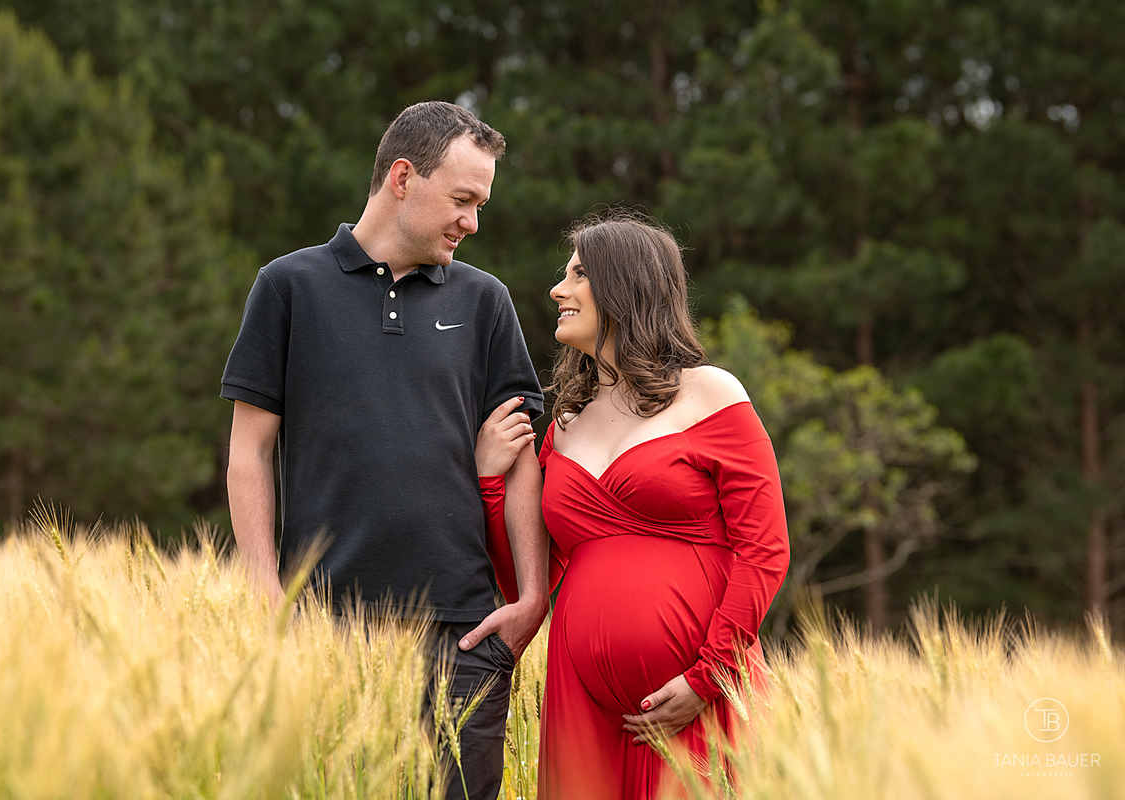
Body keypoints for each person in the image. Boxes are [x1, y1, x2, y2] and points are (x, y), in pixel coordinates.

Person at [221, 101, 551, 800]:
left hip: (463, 635)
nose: (473, 222)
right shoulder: (288, 286)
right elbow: (248, 451)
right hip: (326, 627)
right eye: (463, 199)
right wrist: (261, 586)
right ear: (403, 178)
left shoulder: (487, 301)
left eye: (481, 204)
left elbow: (523, 456)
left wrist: (529, 599)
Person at [478, 211, 791, 798]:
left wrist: (709, 676)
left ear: (624, 286)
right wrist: (493, 484)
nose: (557, 290)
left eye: (577, 275)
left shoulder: (712, 394)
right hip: (582, 700)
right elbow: (533, 582)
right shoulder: (563, 426)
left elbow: (765, 548)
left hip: (695, 695)